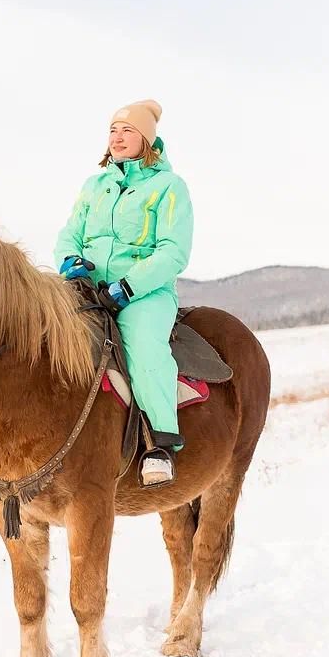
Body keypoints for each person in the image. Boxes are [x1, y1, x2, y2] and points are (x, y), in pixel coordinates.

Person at [54, 100, 193, 486]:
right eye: (113, 130)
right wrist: (70, 260)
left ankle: (160, 443)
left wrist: (129, 286)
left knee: (143, 347)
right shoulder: (94, 186)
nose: (117, 137)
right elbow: (71, 233)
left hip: (144, 292)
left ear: (147, 140)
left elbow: (173, 251)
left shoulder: (169, 187)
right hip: (88, 286)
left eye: (127, 130)